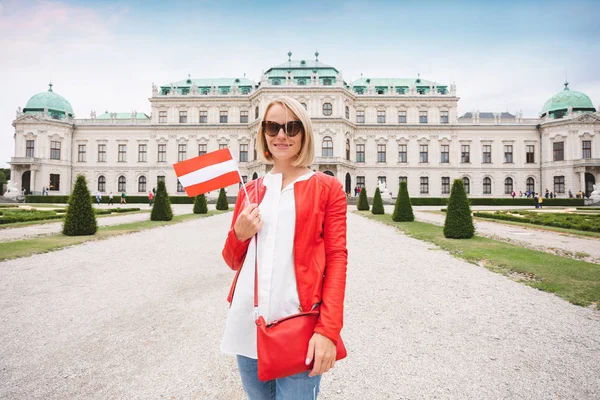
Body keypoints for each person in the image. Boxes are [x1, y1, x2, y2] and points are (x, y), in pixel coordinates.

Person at [221, 97, 348, 399]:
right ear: (263, 133)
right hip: (249, 322)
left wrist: (328, 331)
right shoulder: (250, 191)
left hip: (298, 326)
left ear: (304, 133)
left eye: (291, 127)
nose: (281, 135)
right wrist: (239, 234)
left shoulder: (326, 188)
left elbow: (337, 260)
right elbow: (231, 260)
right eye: (272, 127)